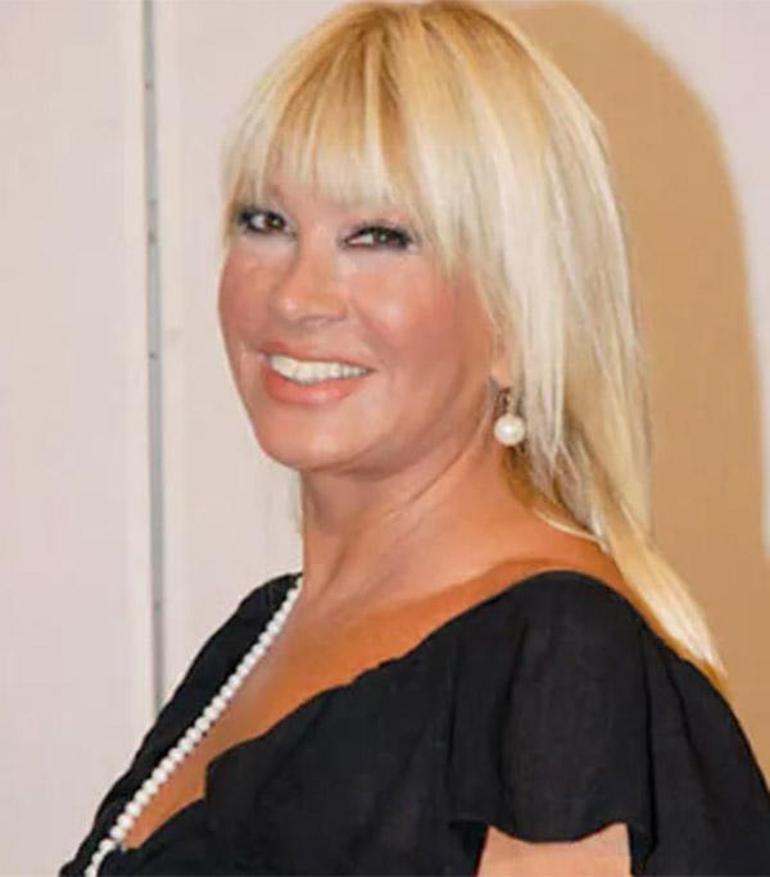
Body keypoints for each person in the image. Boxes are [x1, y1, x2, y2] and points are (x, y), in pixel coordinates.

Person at [62, 1, 770, 874]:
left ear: (519, 320)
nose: (296, 297)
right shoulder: (260, 633)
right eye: (265, 222)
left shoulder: (554, 656)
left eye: (379, 237)